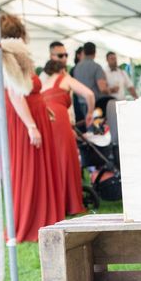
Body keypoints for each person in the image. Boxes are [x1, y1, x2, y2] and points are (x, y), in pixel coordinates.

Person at [0, 13, 64, 242]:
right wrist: (31, 126)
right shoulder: (10, 54)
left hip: (35, 115)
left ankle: (43, 215)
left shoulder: (15, 54)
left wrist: (42, 111)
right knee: (30, 170)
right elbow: (16, 94)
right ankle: (31, 220)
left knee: (38, 169)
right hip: (26, 119)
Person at [41, 59, 94, 215]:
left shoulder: (44, 85)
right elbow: (89, 94)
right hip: (59, 119)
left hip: (46, 120)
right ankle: (70, 203)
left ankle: (57, 202)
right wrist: (90, 112)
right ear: (63, 70)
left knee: (54, 161)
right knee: (66, 158)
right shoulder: (65, 78)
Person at [73, 42, 109, 114]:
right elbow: (102, 88)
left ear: (84, 52)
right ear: (95, 52)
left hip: (81, 103)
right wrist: (111, 90)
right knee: (95, 124)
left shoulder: (76, 67)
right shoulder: (96, 67)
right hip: (95, 104)